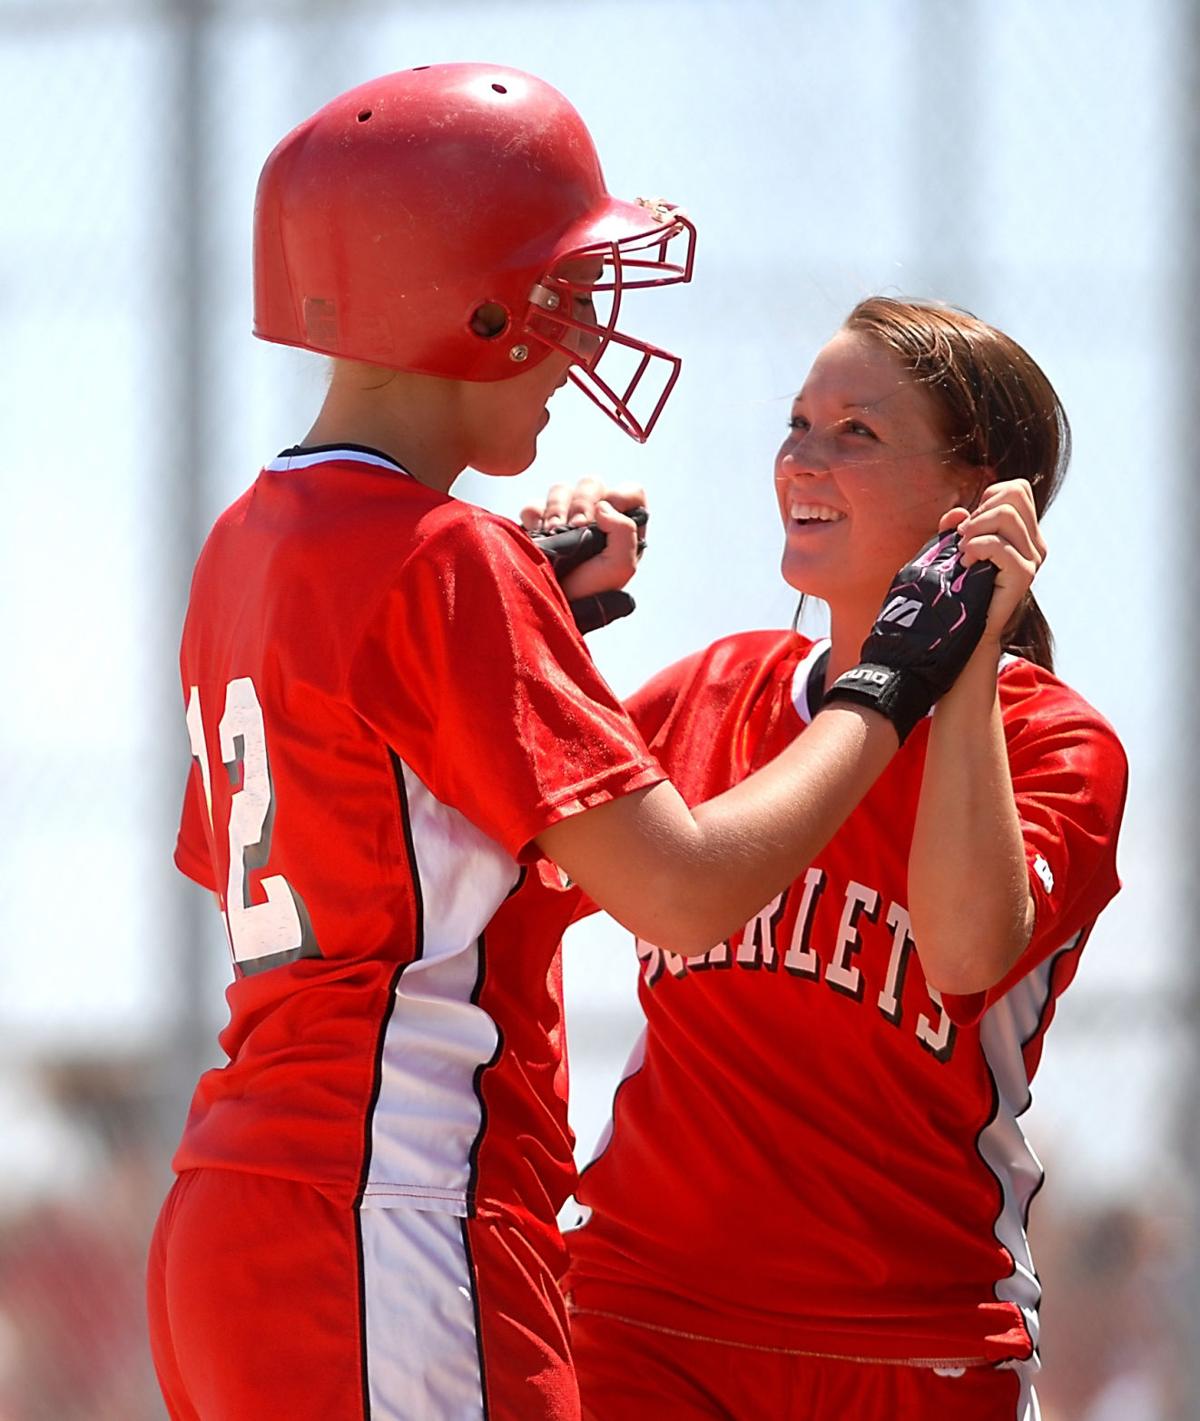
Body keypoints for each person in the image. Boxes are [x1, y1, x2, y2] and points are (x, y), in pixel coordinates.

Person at [144, 63, 994, 1421]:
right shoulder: (446, 561)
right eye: (561, 294)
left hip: (245, 1215)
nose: (588, 334)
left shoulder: (247, 542)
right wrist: (890, 677)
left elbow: (374, 828)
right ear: (461, 300)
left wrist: (524, 609)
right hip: (397, 1220)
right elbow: (685, 885)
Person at [539, 298, 1129, 1421]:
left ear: (979, 496)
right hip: (644, 1315)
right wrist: (540, 622)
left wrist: (959, 655)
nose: (799, 458)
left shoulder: (1057, 743)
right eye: (798, 423)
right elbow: (502, 859)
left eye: (854, 431)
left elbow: (962, 954)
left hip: (914, 1344)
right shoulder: (713, 689)